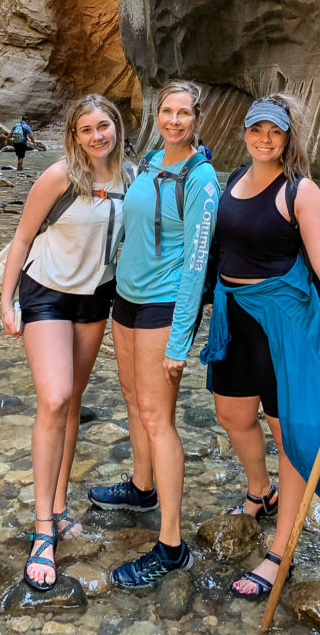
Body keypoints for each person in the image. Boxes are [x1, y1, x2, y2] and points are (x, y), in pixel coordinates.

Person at [200, 93, 320, 599]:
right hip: (234, 318)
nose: (265, 138)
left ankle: (279, 550)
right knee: (233, 416)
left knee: (291, 433)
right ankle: (260, 492)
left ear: (288, 138)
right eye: (257, 129)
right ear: (244, 132)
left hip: (285, 323)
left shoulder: (301, 192)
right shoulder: (232, 181)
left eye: (275, 131)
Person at [87, 80, 220, 588]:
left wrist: (181, 338)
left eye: (184, 113)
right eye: (167, 111)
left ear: (197, 119)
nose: (174, 120)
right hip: (127, 300)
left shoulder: (202, 179)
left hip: (164, 308)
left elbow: (195, 262)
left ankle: (171, 545)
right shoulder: (147, 163)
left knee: (157, 416)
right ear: (157, 115)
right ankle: (142, 487)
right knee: (130, 396)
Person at [0, 94, 132, 592]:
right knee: (53, 399)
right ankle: (41, 530)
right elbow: (21, 238)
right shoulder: (59, 176)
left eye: (104, 126)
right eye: (86, 129)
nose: (97, 136)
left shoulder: (131, 179)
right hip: (47, 293)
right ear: (74, 137)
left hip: (95, 298)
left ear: (116, 127)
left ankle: (58, 506)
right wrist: (7, 300)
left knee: (73, 401)